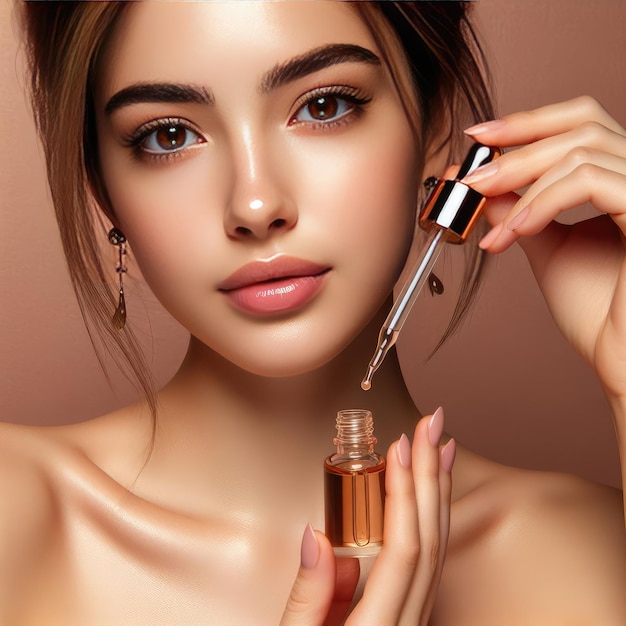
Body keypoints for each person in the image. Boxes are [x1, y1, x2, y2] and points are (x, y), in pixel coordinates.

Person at [2, 2, 624, 624]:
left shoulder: (584, 554)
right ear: (105, 198)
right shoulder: (17, 513)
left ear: (435, 131)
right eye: (169, 135)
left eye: (323, 106)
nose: (254, 203)